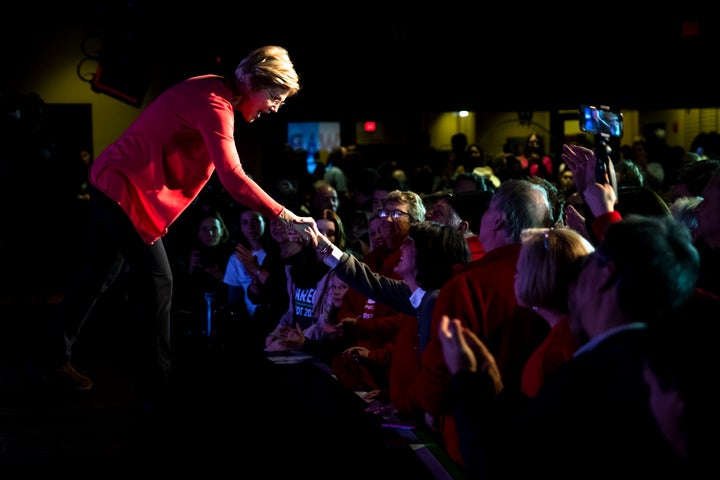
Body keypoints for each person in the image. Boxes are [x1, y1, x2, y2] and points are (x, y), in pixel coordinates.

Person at [46, 46, 315, 407]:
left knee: (100, 276)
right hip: (120, 187)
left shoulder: (216, 93)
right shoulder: (215, 103)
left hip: (114, 182)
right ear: (254, 81)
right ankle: (157, 386)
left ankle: (52, 362)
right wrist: (286, 216)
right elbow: (233, 177)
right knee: (158, 280)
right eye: (275, 97)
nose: (275, 107)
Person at [438, 214, 701, 478]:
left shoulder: (589, 376)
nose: (577, 272)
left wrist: (467, 378)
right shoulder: (669, 363)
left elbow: (504, 465)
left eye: (589, 261)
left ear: (605, 274)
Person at [405, 179, 554, 466]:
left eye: (486, 212)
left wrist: (414, 403)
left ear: (497, 220)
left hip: (477, 443)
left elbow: (438, 378)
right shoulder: (559, 276)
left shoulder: (467, 287)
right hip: (544, 440)